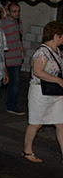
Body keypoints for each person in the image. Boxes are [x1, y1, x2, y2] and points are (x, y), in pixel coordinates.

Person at [23, 21, 63, 164]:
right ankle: (27, 151)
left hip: (55, 93)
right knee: (36, 124)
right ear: (56, 35)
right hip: (40, 92)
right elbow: (37, 72)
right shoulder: (42, 52)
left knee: (60, 123)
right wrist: (58, 80)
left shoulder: (58, 51)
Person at [0, 2, 25, 115]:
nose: (17, 14)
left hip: (16, 57)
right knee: (0, 82)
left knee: (15, 83)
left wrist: (22, 50)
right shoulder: (3, 23)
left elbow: (19, 36)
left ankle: (12, 105)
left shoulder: (18, 21)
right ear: (8, 12)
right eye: (14, 11)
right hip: (6, 58)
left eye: (18, 11)